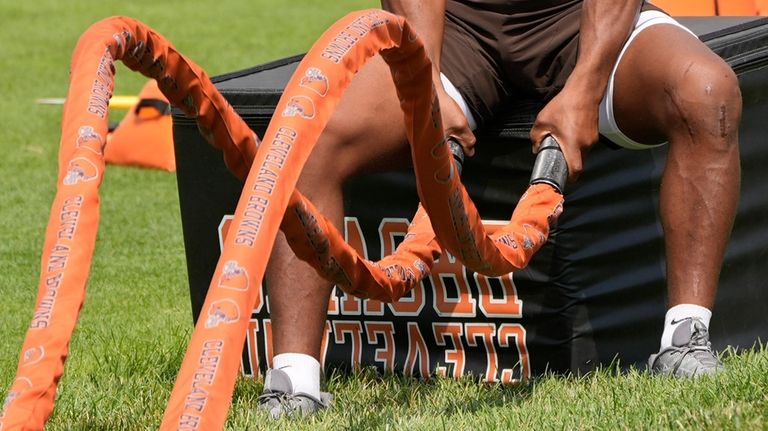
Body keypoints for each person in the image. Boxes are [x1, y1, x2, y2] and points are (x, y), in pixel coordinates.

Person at [257, 0, 741, 417]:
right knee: (310, 138)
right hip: (459, 27)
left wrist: (586, 87)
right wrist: (421, 88)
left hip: (577, 18)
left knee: (707, 94)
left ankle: (685, 339)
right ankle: (294, 382)